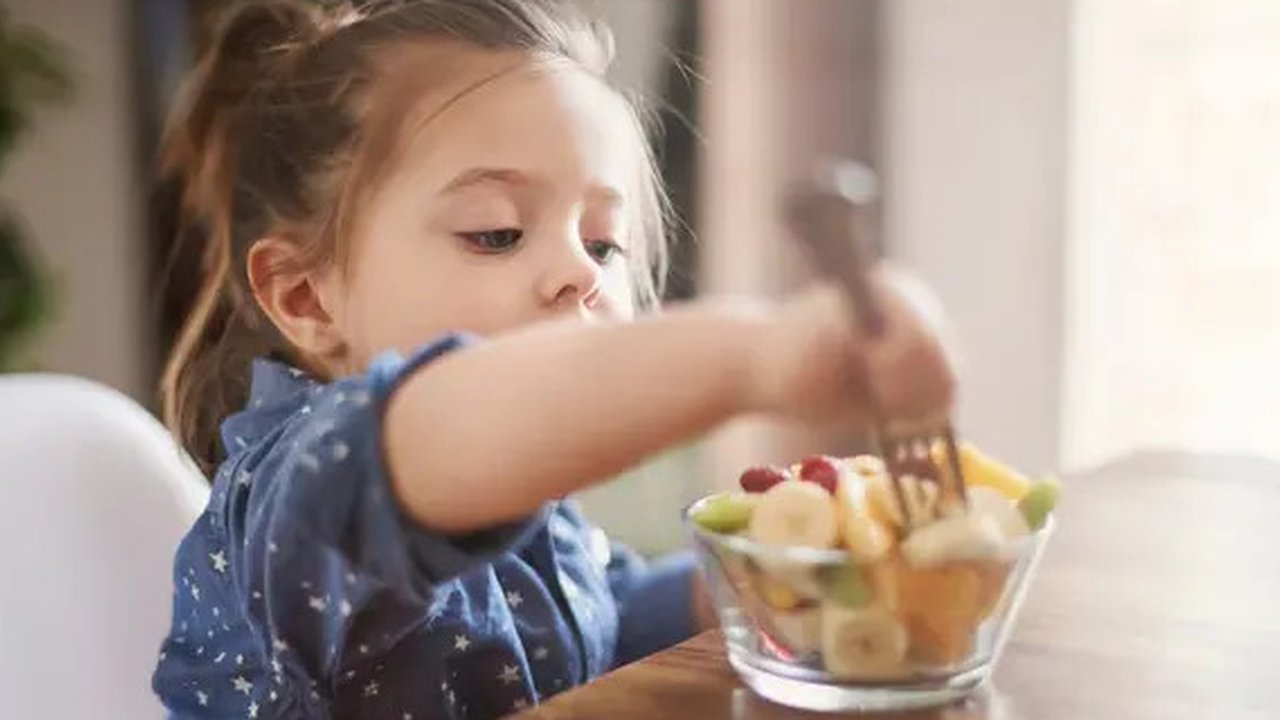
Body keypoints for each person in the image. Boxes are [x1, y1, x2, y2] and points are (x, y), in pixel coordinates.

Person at [150, 2, 956, 718]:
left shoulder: (529, 508)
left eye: (605, 243)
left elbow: (595, 615)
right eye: (496, 232)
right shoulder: (302, 493)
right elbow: (450, 425)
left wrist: (756, 584)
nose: (582, 271)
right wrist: (756, 354)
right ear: (305, 299)